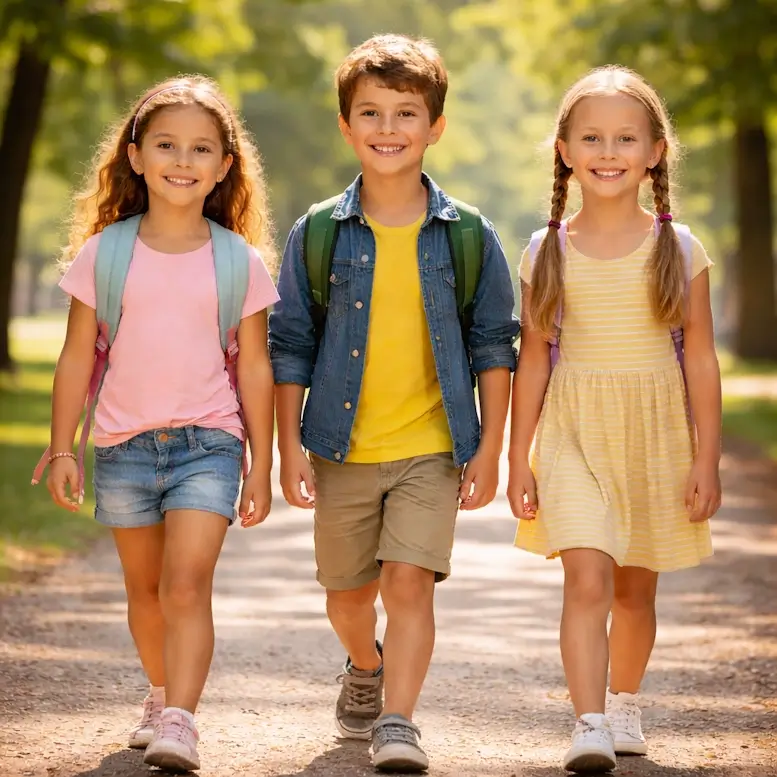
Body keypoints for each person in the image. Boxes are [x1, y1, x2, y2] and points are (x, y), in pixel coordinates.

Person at [269, 34, 519, 773]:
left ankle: (399, 721)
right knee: (348, 596)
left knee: (409, 582)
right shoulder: (317, 231)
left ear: (435, 126)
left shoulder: (467, 234)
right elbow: (290, 346)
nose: (387, 129)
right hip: (340, 447)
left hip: (431, 448)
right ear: (345, 125)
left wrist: (489, 447)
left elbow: (493, 345)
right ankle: (364, 668)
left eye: (405, 113)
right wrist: (287, 447)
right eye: (369, 113)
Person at [39, 76, 278, 772]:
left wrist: (260, 462)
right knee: (143, 593)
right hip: (121, 445)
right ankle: (160, 692)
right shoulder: (105, 253)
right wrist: (63, 448)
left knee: (184, 586)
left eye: (202, 148)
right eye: (167, 144)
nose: (184, 159)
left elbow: (255, 367)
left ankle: (181, 719)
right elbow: (77, 354)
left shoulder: (240, 261)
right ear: (136, 156)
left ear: (225, 166)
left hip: (209, 441)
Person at [507, 66, 722, 773]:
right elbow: (533, 360)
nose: (608, 150)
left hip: (652, 433)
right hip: (573, 431)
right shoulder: (545, 251)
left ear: (654, 151)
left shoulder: (680, 248)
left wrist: (705, 457)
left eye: (625, 137)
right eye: (591, 136)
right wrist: (518, 457)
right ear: (564, 149)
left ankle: (624, 700)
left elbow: (698, 359)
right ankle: (588, 720)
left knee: (633, 591)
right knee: (586, 579)